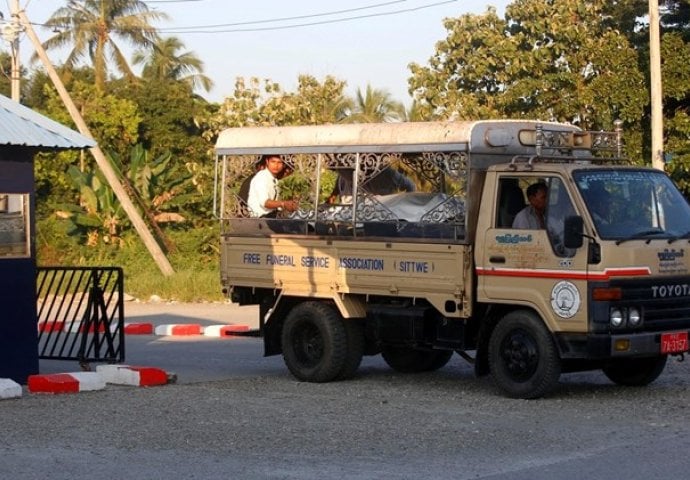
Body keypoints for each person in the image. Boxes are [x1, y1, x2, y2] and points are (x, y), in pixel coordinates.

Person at [328, 166, 415, 204]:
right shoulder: (343, 174)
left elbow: (410, 186)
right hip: (348, 214)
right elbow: (335, 192)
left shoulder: (388, 173)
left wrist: (402, 204)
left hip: (378, 213)